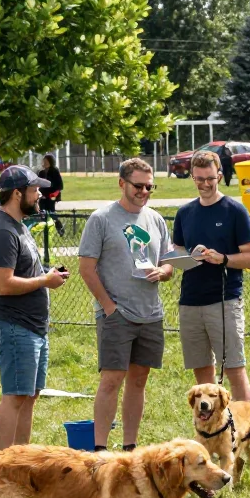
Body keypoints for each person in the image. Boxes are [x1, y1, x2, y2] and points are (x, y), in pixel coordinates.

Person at [77, 157, 174, 452]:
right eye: (138, 186)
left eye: (149, 186)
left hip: (150, 313)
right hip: (117, 313)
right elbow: (86, 267)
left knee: (139, 380)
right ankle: (100, 450)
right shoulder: (102, 219)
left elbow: (168, 261)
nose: (144, 191)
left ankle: (130, 446)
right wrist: (108, 307)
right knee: (112, 380)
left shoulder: (155, 219)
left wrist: (165, 271)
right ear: (122, 183)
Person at [0, 165, 69, 448]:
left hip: (32, 328)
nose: (40, 194)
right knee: (16, 397)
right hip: (13, 326)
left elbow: (25, 272)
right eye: (35, 190)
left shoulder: (19, 226)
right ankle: (3, 468)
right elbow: (2, 284)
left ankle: (21, 462)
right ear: (17, 193)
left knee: (29, 396)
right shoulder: (2, 231)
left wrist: (48, 273)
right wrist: (45, 280)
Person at [172, 150, 250, 401]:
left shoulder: (234, 210)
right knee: (201, 371)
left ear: (219, 176)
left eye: (209, 178)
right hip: (190, 301)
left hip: (224, 301)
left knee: (233, 368)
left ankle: (247, 431)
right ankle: (213, 432)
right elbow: (176, 248)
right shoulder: (185, 213)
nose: (204, 184)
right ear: (192, 177)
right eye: (199, 179)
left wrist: (222, 259)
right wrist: (190, 255)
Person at [37, 153, 65, 235]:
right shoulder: (41, 173)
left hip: (51, 196)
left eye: (46, 161)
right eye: (44, 161)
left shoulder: (54, 171)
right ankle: (43, 231)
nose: (44, 163)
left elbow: (59, 185)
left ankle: (59, 229)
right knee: (42, 213)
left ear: (50, 162)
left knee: (52, 213)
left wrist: (54, 194)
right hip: (43, 197)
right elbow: (38, 184)